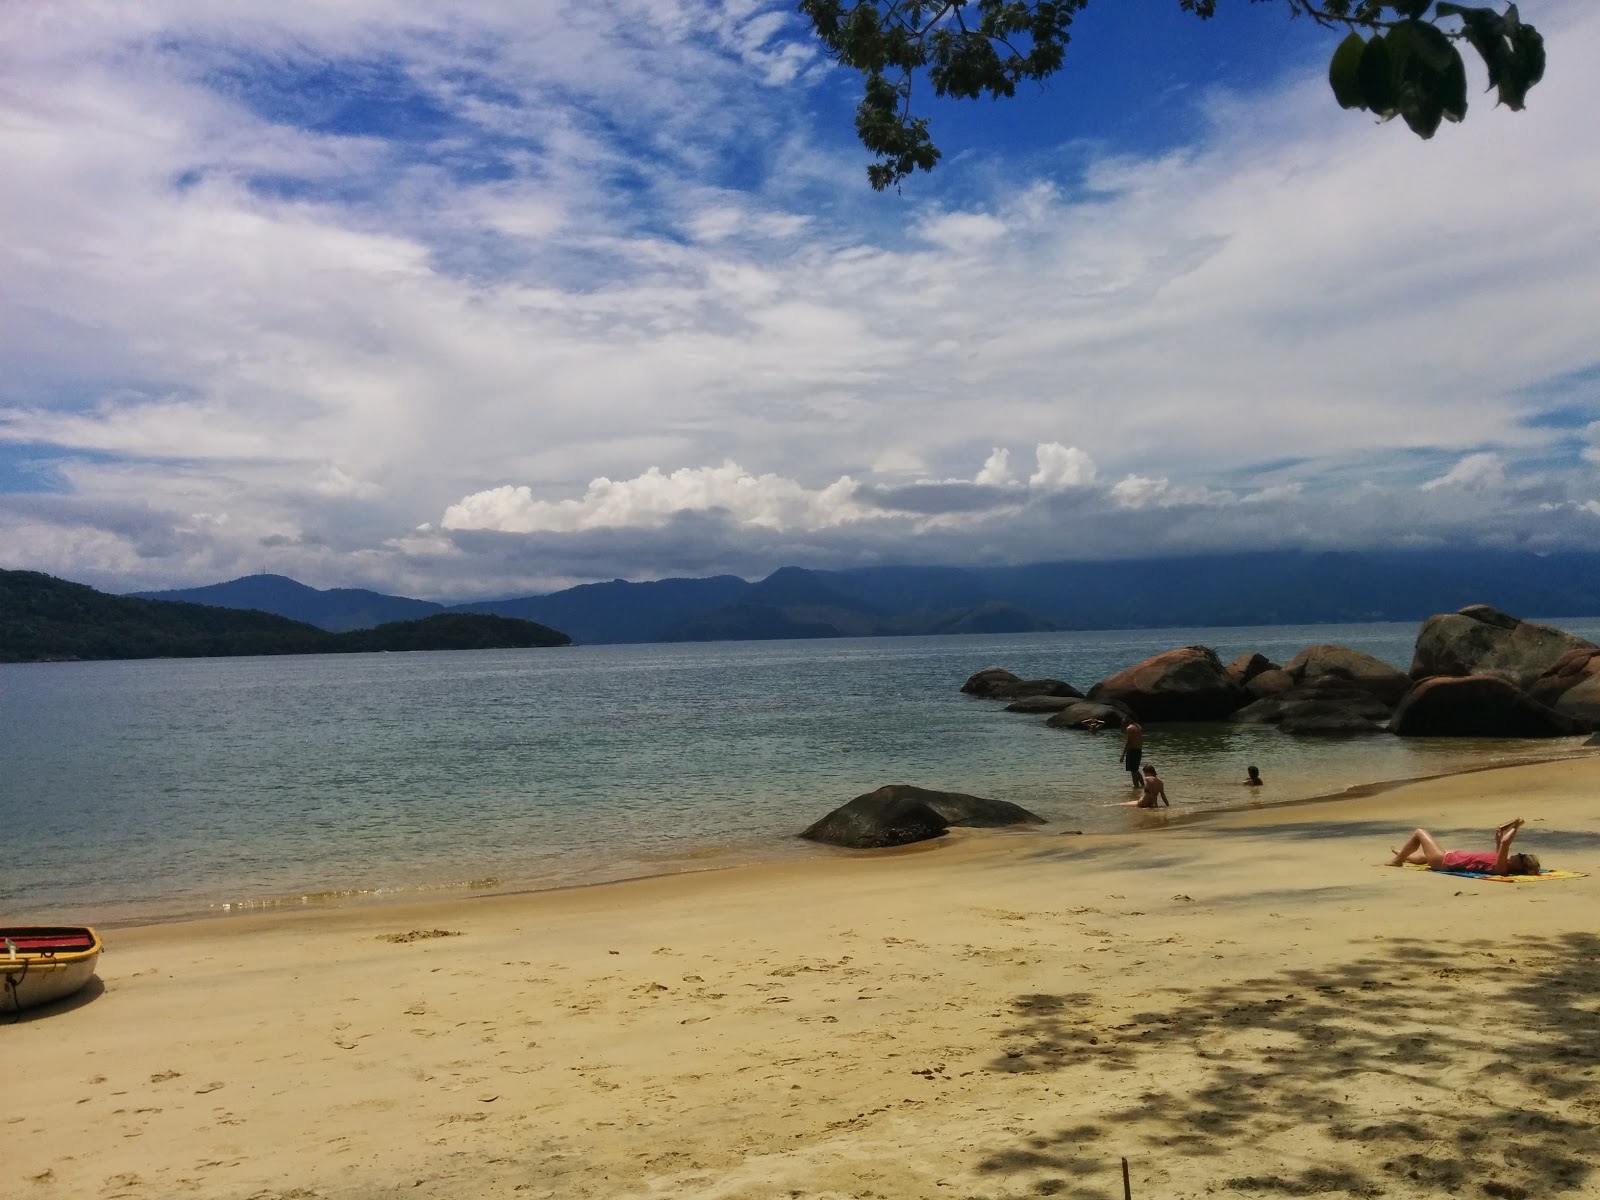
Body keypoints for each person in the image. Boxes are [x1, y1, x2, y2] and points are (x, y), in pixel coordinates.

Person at [1387, 818, 1541, 876]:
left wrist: (1515, 827)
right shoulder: (1503, 864)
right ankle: (1403, 855)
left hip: (1444, 861)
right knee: (1423, 858)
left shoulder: (1503, 869)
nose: (1519, 854)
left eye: (1521, 857)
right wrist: (1498, 839)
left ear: (1520, 866)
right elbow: (1498, 852)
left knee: (1420, 832)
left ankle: (1398, 860)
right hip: (1450, 858)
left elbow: (1505, 844)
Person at [1119, 718, 1145, 787]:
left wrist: (1122, 755)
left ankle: (1136, 787)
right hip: (1138, 750)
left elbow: (1128, 742)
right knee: (1135, 770)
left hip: (1132, 750)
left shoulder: (1129, 728)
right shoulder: (1138, 726)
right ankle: (1143, 785)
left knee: (1133, 771)